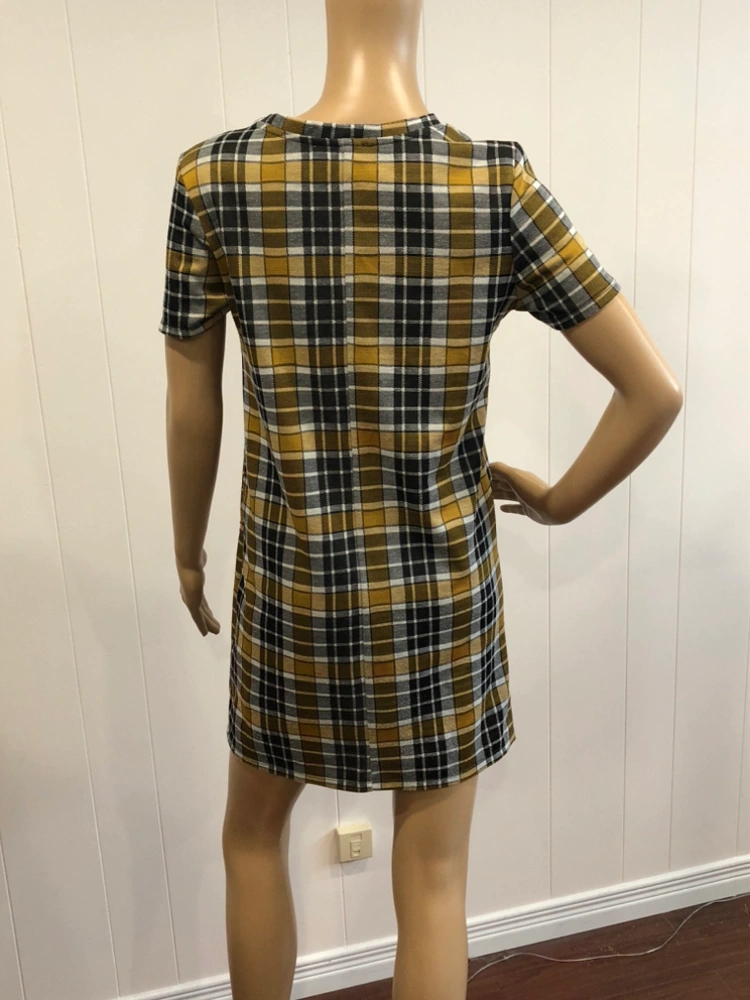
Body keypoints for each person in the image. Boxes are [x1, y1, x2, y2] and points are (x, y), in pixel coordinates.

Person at [159, 2, 683, 998]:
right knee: (436, 879)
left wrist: (187, 551)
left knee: (250, 838)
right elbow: (654, 392)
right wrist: (559, 502)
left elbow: (191, 403)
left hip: (291, 589)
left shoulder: (215, 178)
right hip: (442, 597)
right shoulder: (493, 185)